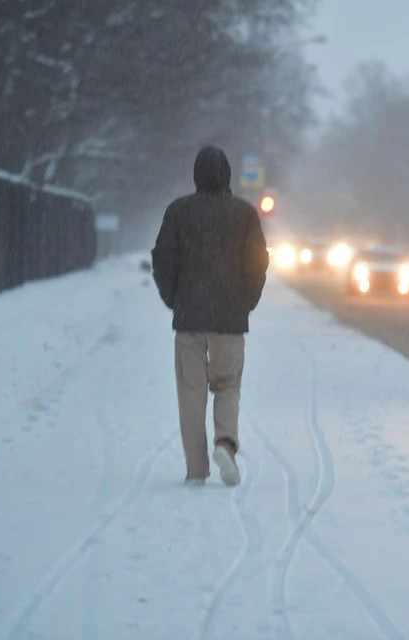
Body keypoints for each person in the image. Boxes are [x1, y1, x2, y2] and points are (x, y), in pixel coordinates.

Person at [151, 146, 269, 486]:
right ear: (229, 176)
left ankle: (196, 468)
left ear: (196, 175)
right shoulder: (244, 214)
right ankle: (225, 444)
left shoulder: (178, 212)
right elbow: (258, 263)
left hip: (189, 318)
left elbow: (163, 260)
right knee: (228, 385)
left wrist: (173, 298)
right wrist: (246, 301)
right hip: (229, 320)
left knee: (191, 393)